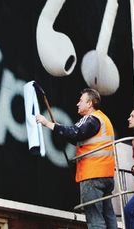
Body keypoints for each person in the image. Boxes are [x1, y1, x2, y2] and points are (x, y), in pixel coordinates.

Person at [36, 88, 117, 229]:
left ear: (90, 103)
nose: (77, 104)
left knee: (95, 219)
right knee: (108, 216)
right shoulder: (103, 120)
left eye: (81, 101)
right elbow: (80, 138)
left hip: (92, 175)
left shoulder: (91, 119)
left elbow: (75, 132)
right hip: (106, 175)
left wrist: (48, 123)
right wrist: (60, 131)